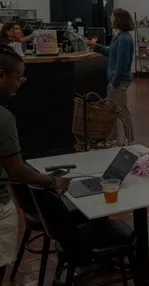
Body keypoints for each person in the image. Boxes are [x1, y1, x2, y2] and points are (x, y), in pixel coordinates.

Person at [0, 45, 70, 283]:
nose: (19, 85)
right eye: (17, 78)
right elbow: (17, 171)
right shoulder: (3, 119)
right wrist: (53, 181)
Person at [86, 8, 135, 142]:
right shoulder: (119, 37)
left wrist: (115, 81)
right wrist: (96, 46)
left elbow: (122, 64)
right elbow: (111, 52)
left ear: (118, 19)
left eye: (112, 16)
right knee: (111, 112)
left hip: (118, 81)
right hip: (115, 80)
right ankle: (111, 140)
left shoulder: (123, 39)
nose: (110, 19)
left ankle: (131, 140)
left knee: (122, 112)